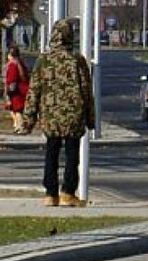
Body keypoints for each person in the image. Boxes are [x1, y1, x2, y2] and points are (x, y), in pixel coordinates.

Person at [22, 19, 96, 208]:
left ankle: (50, 193)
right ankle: (68, 192)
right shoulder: (77, 60)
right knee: (72, 155)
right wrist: (91, 119)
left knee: (51, 152)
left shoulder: (43, 61)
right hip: (73, 114)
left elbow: (34, 92)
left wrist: (28, 120)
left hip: (50, 115)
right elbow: (87, 91)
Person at [5, 45, 30, 132]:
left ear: (10, 55)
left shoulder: (13, 65)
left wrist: (9, 92)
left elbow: (12, 80)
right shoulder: (21, 63)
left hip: (16, 92)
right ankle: (19, 126)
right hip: (23, 89)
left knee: (17, 110)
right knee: (19, 110)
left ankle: (20, 127)